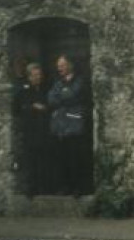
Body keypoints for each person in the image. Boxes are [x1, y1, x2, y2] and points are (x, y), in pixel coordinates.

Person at [48, 55, 88, 197]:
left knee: (75, 158)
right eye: (58, 66)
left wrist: (63, 95)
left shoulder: (79, 81)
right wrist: (63, 95)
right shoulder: (58, 82)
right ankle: (65, 187)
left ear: (70, 65)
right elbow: (51, 99)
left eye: (62, 65)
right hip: (61, 127)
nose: (59, 68)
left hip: (74, 125)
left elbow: (72, 94)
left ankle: (78, 188)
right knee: (62, 159)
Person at [13, 63, 52, 197]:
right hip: (30, 130)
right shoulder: (23, 91)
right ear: (29, 77)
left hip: (43, 130)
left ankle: (44, 188)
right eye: (35, 75)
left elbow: (50, 105)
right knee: (30, 160)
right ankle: (31, 189)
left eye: (39, 75)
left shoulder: (45, 89)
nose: (38, 77)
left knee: (44, 160)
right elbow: (17, 109)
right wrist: (32, 107)